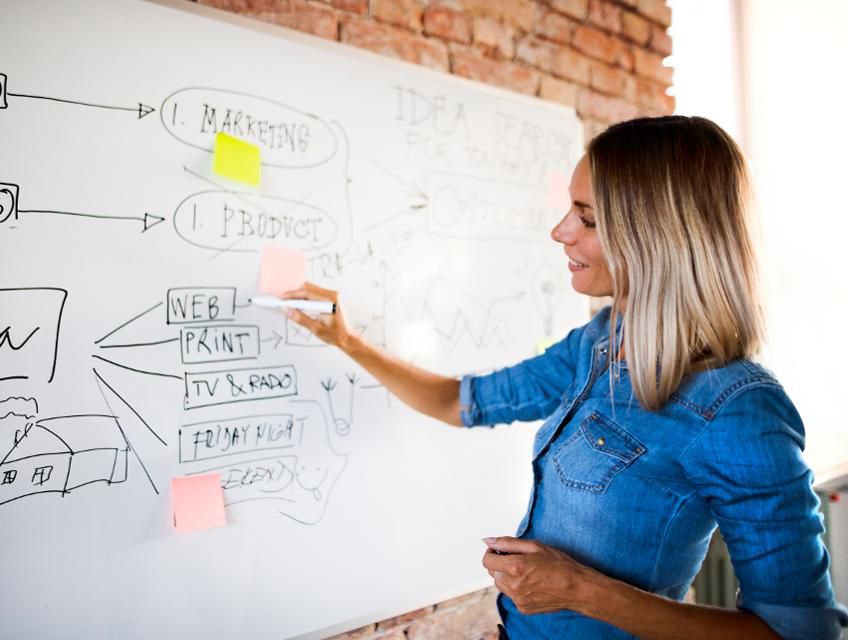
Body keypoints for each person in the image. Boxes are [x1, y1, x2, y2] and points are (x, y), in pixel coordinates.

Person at [283, 116, 847, 640]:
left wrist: (580, 590)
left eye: (588, 219)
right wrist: (347, 340)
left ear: (659, 235)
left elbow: (800, 632)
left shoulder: (737, 408)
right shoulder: (598, 343)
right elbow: (462, 401)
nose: (560, 232)